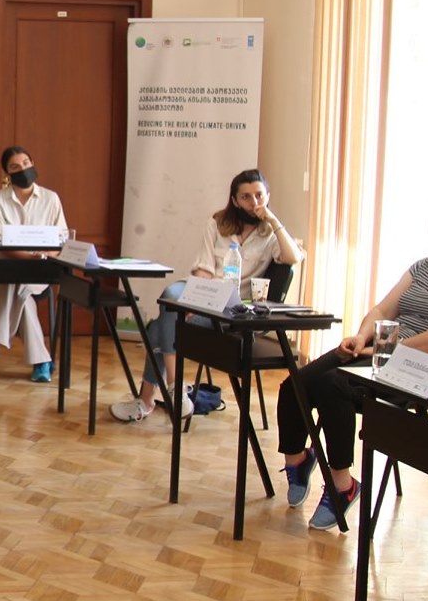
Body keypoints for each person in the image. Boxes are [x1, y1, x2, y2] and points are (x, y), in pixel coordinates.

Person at [275, 191, 428, 530]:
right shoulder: (424, 266)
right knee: (295, 383)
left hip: (424, 368)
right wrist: (362, 336)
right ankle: (298, 459)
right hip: (383, 352)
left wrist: (386, 350)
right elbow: (383, 309)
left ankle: (342, 486)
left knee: (331, 385)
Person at [111, 168, 305, 424]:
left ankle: (148, 400)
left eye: (259, 195)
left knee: (159, 326)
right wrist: (197, 300)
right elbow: (203, 269)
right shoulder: (217, 223)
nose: (254, 202)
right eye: (246, 197)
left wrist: (272, 219)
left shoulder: (269, 235)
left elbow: (293, 258)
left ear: (268, 196)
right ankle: (175, 388)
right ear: (235, 200)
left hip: (232, 310)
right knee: (170, 296)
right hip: (205, 292)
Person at [0, 145, 68, 383]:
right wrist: (28, 258)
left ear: (33, 163)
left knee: (18, 287)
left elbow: (62, 238)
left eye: (26, 163)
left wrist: (44, 255)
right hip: (4, 266)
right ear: (7, 173)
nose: (23, 169)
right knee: (16, 285)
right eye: (15, 167)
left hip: (39, 269)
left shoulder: (51, 198)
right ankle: (41, 361)